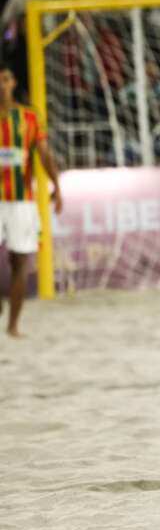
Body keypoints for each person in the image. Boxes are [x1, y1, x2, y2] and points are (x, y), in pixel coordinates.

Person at [0, 64, 63, 338]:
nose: (1, 85)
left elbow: (44, 153)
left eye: (5, 79)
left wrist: (56, 185)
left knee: (20, 260)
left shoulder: (29, 117)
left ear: (13, 83)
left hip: (22, 201)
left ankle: (13, 325)